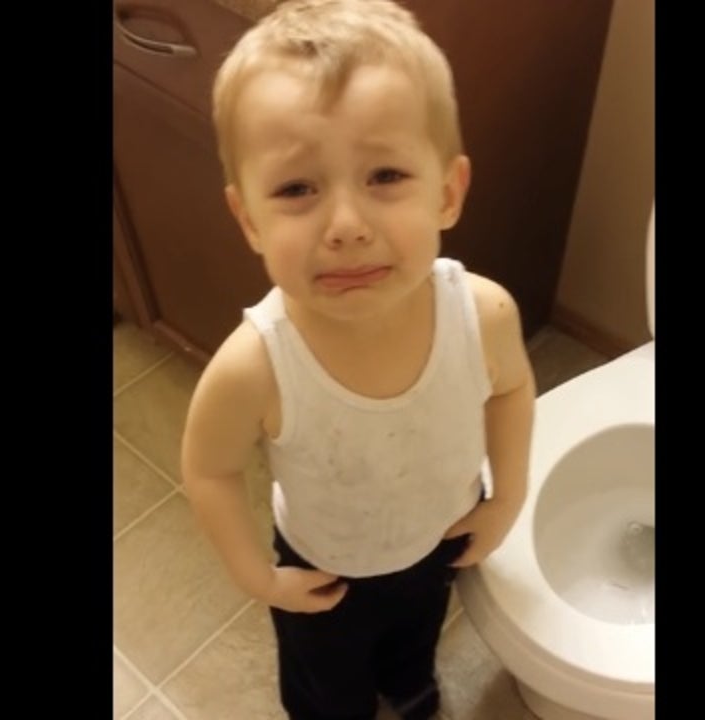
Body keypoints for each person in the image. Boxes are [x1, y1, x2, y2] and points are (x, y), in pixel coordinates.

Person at [181, 1, 535, 717]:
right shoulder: (256, 364)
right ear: (250, 219)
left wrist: (507, 498)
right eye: (296, 189)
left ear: (448, 191)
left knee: (415, 643)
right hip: (322, 567)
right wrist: (260, 578)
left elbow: (510, 391)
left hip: (438, 534)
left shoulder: (483, 312)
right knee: (328, 685)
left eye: (384, 177)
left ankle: (409, 689)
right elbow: (208, 467)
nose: (345, 226)